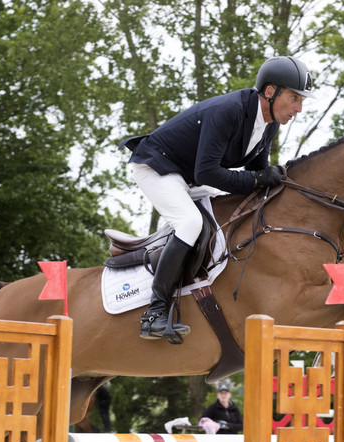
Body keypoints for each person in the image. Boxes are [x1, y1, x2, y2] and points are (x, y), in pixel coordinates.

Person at [119, 56, 315, 343]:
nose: (299, 108)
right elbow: (208, 171)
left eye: (301, 100)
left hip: (189, 177)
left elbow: (256, 170)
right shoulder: (228, 111)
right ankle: (154, 313)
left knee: (229, 214)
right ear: (271, 92)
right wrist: (260, 179)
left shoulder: (269, 123)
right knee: (189, 224)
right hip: (158, 168)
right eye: (294, 98)